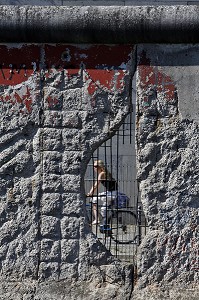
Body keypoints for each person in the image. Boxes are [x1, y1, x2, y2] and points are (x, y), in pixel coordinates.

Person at [87, 160, 118, 225]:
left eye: (96, 166)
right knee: (103, 209)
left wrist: (90, 193)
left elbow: (96, 185)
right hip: (112, 193)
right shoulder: (106, 173)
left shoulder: (102, 174)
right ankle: (106, 227)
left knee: (93, 199)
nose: (94, 168)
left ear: (100, 166)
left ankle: (97, 219)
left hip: (111, 194)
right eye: (94, 166)